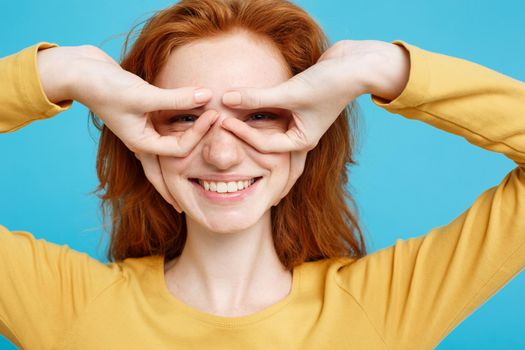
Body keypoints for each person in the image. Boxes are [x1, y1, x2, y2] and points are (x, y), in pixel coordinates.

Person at [1, 0, 523, 348]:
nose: (224, 155)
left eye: (260, 115)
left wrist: (382, 68)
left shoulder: (386, 306)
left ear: (309, 131)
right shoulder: (65, 306)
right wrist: (61, 72)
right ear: (139, 138)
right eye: (185, 116)